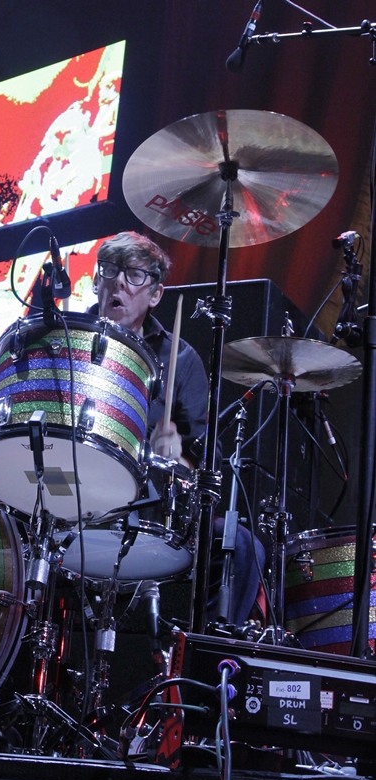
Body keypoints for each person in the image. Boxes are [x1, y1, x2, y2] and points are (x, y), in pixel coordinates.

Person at [91, 230, 264, 626]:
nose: (119, 282)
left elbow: (207, 464)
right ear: (96, 281)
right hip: (75, 490)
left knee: (241, 543)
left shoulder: (179, 358)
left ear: (154, 294)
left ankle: (206, 665)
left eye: (134, 275)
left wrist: (180, 453)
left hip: (150, 507)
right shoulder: (67, 339)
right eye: (111, 271)